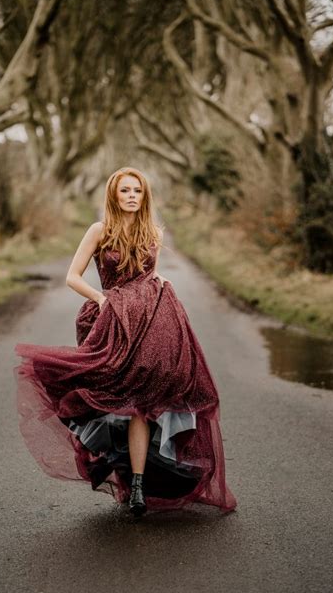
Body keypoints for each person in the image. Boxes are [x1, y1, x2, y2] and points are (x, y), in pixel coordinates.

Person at [14, 167, 237, 518]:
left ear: (144, 196)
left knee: (144, 402)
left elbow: (150, 273)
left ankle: (137, 486)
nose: (132, 195)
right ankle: (120, 467)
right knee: (108, 389)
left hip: (153, 320)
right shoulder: (99, 231)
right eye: (125, 191)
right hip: (115, 322)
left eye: (137, 190)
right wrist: (103, 301)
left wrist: (161, 285)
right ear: (114, 196)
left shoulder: (153, 232)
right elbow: (72, 277)